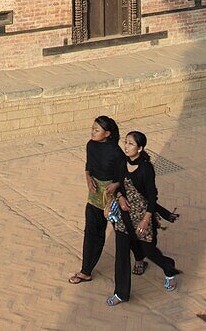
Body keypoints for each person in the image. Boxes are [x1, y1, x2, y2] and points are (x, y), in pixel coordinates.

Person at [106, 131, 181, 306]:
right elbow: (117, 184)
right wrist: (119, 197)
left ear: (140, 148)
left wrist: (146, 219)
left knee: (149, 251)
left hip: (142, 217)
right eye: (126, 142)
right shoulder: (120, 163)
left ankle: (169, 269)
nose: (126, 146)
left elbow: (153, 196)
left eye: (131, 144)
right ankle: (121, 293)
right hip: (124, 216)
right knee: (122, 255)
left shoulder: (146, 169)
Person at [69, 116, 126, 285]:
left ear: (107, 133)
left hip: (113, 197)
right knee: (92, 233)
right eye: (92, 129)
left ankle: (139, 258)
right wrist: (88, 179)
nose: (92, 132)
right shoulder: (90, 145)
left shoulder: (117, 153)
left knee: (123, 232)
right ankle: (86, 271)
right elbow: (89, 167)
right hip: (94, 196)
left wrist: (115, 185)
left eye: (97, 130)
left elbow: (124, 177)